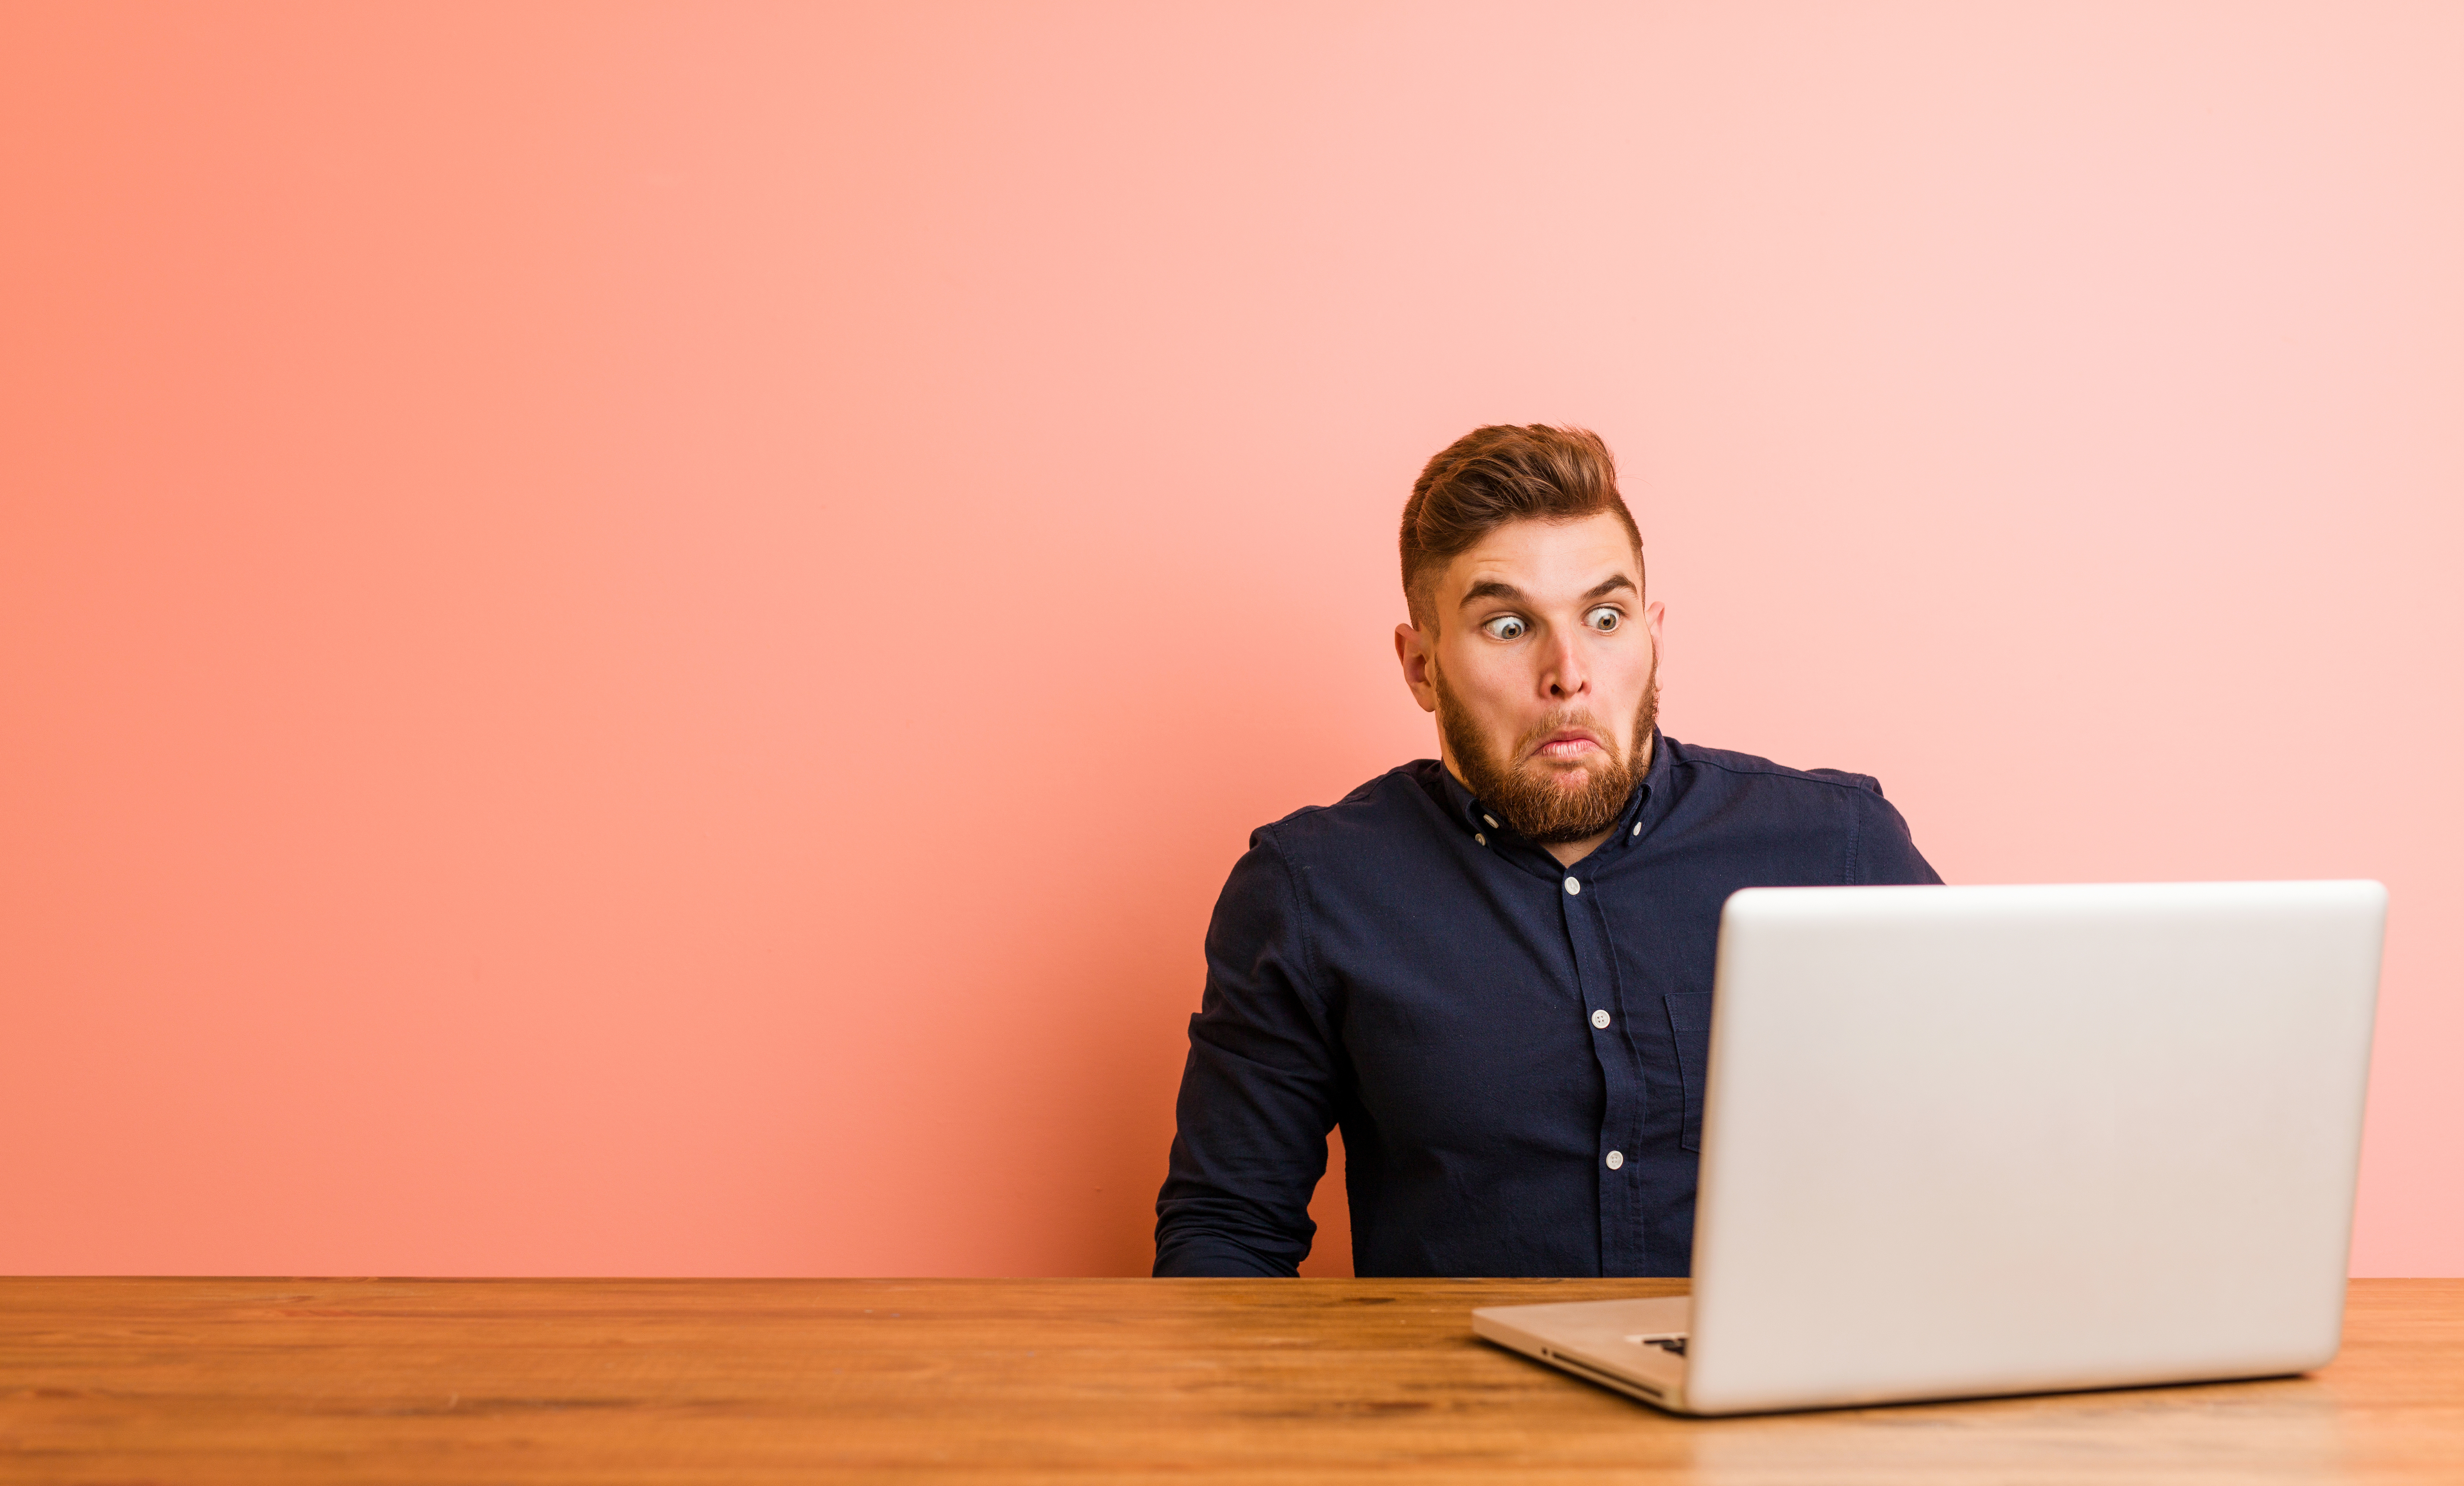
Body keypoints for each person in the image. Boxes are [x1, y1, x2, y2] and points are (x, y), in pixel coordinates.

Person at [1153, 424, 1940, 1279]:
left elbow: (1997, 1137)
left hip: (1782, 1404)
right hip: (1460, 1409)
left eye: (1605, 617)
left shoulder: (1837, 847)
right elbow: (1227, 1237)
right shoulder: (1311, 890)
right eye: (1507, 626)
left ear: (1652, 635)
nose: (1569, 672)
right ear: (1422, 666)